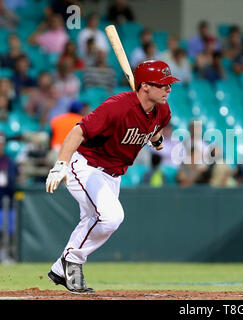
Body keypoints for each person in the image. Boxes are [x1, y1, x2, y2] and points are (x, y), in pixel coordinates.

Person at [45, 60, 179, 294]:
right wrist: (61, 165)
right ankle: (72, 260)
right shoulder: (117, 106)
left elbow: (154, 127)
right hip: (87, 166)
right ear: (145, 86)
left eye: (169, 85)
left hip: (114, 175)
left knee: (92, 221)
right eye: (163, 85)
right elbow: (78, 131)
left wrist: (156, 138)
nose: (169, 89)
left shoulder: (163, 110)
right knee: (111, 217)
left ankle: (59, 269)